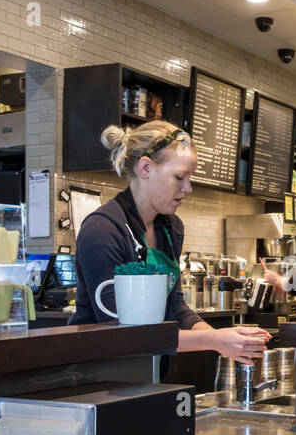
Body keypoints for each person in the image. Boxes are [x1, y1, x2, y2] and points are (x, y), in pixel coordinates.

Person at [71, 120, 270, 365]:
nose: (188, 188)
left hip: (146, 371)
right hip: (99, 374)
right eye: (179, 177)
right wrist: (215, 340)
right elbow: (121, 332)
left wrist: (223, 339)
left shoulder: (170, 227)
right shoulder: (103, 230)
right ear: (145, 168)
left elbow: (174, 304)